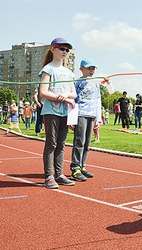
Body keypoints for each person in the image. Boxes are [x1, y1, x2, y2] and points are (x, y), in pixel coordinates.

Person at [39, 37, 76, 189]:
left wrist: (66, 97)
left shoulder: (69, 73)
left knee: (61, 144)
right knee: (51, 143)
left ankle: (59, 174)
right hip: (51, 111)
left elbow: (73, 93)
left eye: (67, 50)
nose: (65, 52)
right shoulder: (48, 69)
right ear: (53, 49)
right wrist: (58, 97)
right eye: (62, 48)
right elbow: (43, 92)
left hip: (64, 112)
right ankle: (49, 176)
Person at [69, 58, 103, 181]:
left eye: (93, 68)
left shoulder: (96, 83)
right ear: (81, 69)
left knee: (87, 143)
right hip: (80, 114)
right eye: (89, 68)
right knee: (79, 141)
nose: (91, 71)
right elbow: (72, 100)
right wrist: (71, 119)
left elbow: (98, 100)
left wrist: (98, 118)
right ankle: (75, 167)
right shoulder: (77, 82)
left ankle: (82, 166)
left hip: (91, 115)